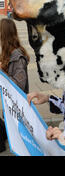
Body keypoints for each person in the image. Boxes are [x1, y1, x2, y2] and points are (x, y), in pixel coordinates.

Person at [0, 19, 30, 152]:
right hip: (11, 104)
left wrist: (2, 73)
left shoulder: (17, 56)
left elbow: (19, 84)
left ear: (4, 35)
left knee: (21, 142)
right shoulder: (9, 53)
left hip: (18, 107)